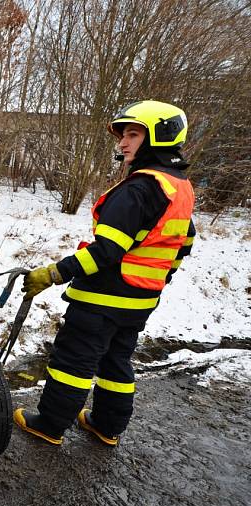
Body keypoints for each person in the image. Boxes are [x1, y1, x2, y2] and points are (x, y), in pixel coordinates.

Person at [13, 100, 197, 446]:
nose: (123, 143)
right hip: (140, 301)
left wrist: (52, 273)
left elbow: (106, 252)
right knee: (116, 363)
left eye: (133, 134)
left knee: (73, 362)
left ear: (159, 136)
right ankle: (106, 426)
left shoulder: (140, 188)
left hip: (101, 300)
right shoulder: (179, 187)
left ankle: (49, 425)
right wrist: (158, 281)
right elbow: (184, 242)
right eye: (123, 135)